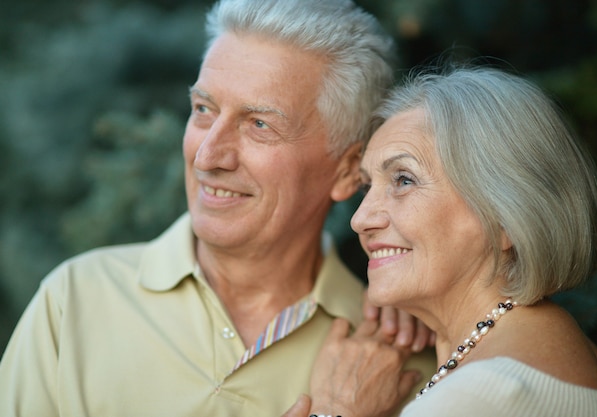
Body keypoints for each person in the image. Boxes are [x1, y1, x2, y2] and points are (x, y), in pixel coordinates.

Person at [0, 0, 438, 416]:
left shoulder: (397, 369)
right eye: (203, 109)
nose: (207, 155)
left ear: (346, 170)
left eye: (259, 124)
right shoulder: (74, 301)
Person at [283, 64, 597, 417]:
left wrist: (335, 410)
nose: (360, 219)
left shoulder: (476, 396)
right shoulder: (546, 350)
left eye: (403, 180)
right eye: (369, 187)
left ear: (504, 216)